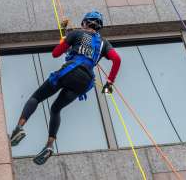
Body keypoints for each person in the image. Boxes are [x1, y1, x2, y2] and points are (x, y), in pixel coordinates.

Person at [10, 11, 121, 165]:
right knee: (55, 109)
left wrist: (65, 41)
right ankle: (49, 146)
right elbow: (117, 59)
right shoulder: (104, 43)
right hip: (84, 82)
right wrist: (109, 83)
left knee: (37, 97)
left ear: (84, 23)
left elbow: (56, 53)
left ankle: (18, 128)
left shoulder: (76, 34)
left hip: (70, 71)